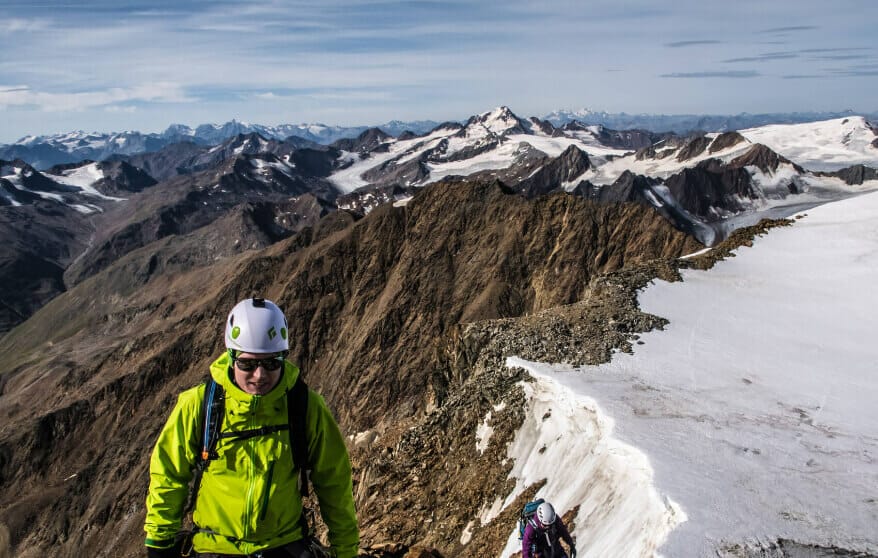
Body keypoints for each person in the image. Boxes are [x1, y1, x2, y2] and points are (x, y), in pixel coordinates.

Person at [144, 298, 359, 557]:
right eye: (247, 363)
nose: (260, 375)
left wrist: (346, 549)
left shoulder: (305, 406)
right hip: (214, 546)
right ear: (231, 357)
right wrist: (159, 539)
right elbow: (168, 474)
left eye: (271, 363)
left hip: (283, 546)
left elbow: (334, 481)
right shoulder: (199, 405)